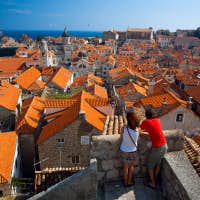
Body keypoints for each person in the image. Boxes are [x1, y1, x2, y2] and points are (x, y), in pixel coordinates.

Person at [140, 108, 168, 189]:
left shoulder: (146, 122)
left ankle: (152, 183)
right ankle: (155, 179)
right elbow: (154, 130)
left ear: (146, 115)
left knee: (150, 165)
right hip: (165, 145)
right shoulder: (157, 120)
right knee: (158, 163)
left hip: (157, 147)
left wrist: (144, 133)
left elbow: (140, 129)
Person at [120, 112, 140, 187]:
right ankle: (129, 182)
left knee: (125, 167)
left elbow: (121, 136)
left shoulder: (123, 129)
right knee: (131, 167)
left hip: (124, 150)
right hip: (133, 150)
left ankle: (125, 182)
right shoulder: (137, 130)